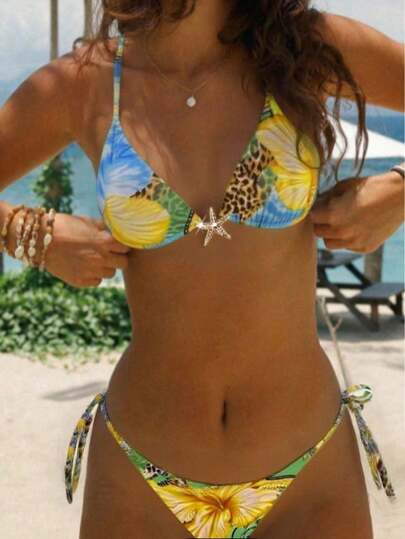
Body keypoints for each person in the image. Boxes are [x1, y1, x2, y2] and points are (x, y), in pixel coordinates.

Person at [0, 1, 403, 538]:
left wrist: (398, 190)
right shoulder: (86, 82)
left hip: (310, 473)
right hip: (140, 479)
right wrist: (29, 233)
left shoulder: (305, 49)